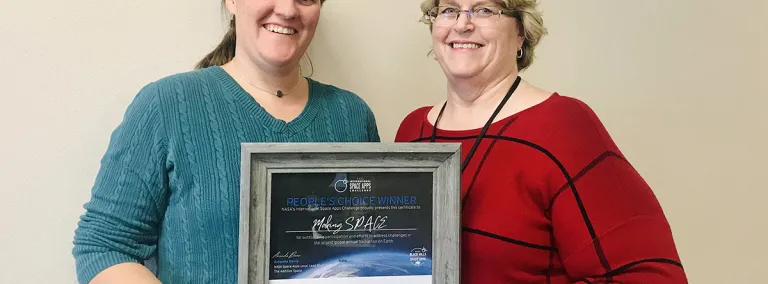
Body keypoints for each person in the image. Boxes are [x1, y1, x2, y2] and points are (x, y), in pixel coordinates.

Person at [72, 0, 379, 283]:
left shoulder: (352, 115)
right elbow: (103, 246)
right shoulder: (167, 104)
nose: (287, 9)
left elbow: (372, 244)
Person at [395, 0, 688, 283]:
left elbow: (650, 277)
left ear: (521, 32)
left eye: (484, 10)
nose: (462, 24)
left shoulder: (562, 126)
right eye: (449, 10)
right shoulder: (412, 131)